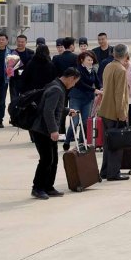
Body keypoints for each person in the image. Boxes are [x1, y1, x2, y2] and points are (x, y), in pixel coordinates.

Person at [30, 67, 80, 199]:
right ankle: (37, 187)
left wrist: (67, 110)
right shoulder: (57, 89)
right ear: (71, 78)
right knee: (46, 159)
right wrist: (53, 130)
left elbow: (55, 107)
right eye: (75, 82)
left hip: (45, 129)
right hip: (42, 130)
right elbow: (48, 111)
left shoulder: (55, 85)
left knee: (53, 159)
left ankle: (48, 186)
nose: (74, 85)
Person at [98, 44, 131, 181]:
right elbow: (120, 95)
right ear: (126, 54)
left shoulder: (108, 66)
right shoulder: (121, 70)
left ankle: (105, 171)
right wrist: (122, 114)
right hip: (114, 112)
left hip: (105, 109)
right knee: (116, 145)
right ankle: (113, 173)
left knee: (107, 144)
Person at [63, 51, 100, 151]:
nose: (91, 62)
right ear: (82, 61)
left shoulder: (92, 71)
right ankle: (67, 141)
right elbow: (80, 84)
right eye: (88, 60)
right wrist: (94, 90)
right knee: (74, 122)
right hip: (76, 98)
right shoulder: (78, 70)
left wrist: (101, 89)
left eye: (92, 60)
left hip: (88, 99)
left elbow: (97, 82)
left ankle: (81, 142)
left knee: (85, 122)